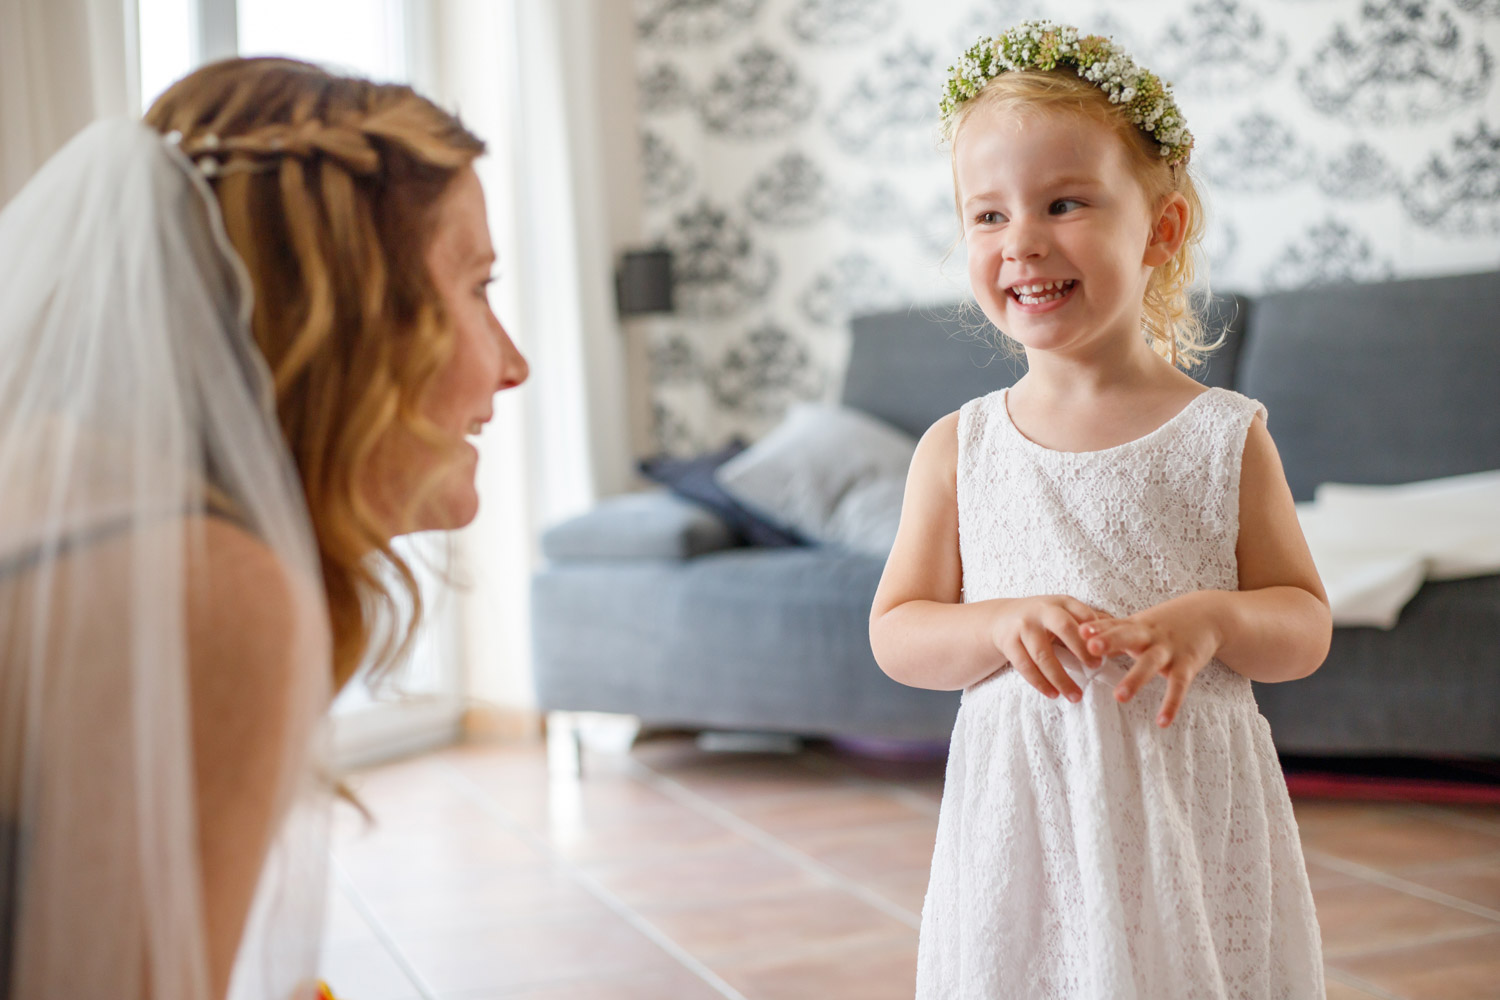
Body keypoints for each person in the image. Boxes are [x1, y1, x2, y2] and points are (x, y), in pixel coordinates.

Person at [0, 58, 527, 999]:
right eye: (479, 288)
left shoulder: (62, 489)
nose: (513, 365)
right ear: (355, 318)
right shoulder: (203, 583)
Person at [868, 22, 1329, 999]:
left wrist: (1218, 619)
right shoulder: (959, 449)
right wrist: (997, 623)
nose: (1022, 240)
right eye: (986, 216)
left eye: (1063, 203)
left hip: (1187, 812)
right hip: (1024, 824)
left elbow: (1304, 621)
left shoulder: (1223, 436)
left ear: (1160, 229)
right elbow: (899, 632)